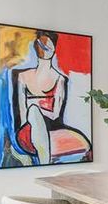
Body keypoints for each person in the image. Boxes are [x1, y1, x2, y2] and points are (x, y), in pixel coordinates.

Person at [12, 31, 90, 164]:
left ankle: (45, 158)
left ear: (54, 49)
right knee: (33, 112)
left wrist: (38, 112)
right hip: (27, 130)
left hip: (52, 128)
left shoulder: (60, 79)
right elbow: (22, 113)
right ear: (36, 46)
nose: (44, 48)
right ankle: (44, 155)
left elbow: (55, 115)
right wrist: (36, 112)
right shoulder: (22, 76)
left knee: (83, 143)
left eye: (48, 45)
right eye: (41, 44)